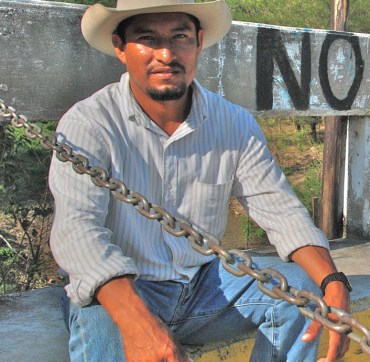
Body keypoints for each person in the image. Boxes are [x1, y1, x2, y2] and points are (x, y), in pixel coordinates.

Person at [48, 1, 351, 361]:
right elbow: (77, 231)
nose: (165, 54)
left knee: (303, 294)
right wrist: (138, 322)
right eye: (147, 38)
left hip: (204, 286)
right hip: (122, 290)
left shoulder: (234, 124)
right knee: (102, 315)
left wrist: (333, 282)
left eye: (180, 37)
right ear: (119, 46)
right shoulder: (89, 124)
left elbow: (282, 211)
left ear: (199, 42)